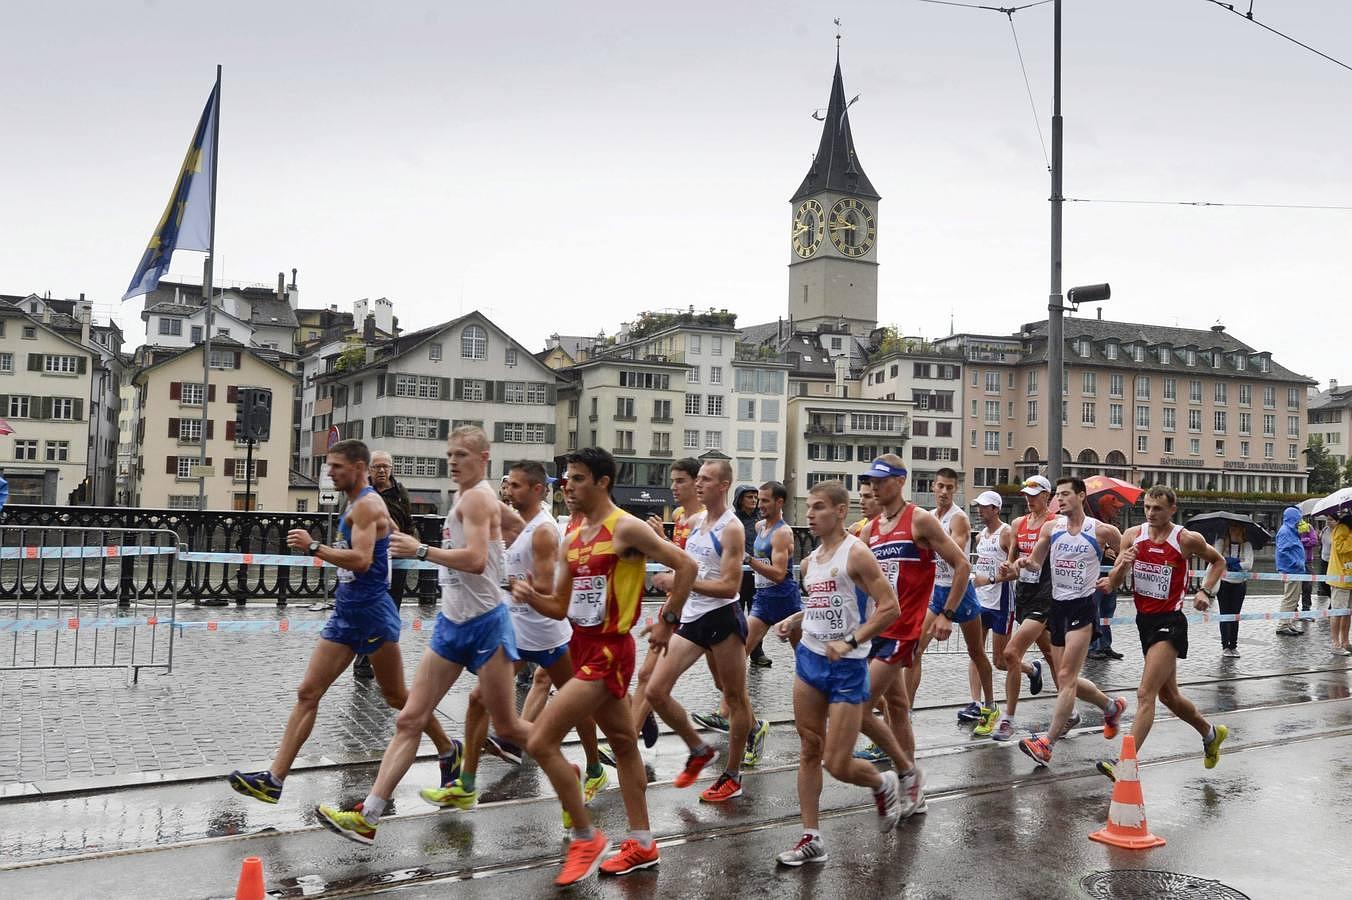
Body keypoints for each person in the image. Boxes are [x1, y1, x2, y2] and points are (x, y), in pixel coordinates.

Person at [315, 426, 531, 845]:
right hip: (452, 622)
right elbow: (520, 525)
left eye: (462, 455)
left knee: (508, 725)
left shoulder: (478, 498)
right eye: (450, 454)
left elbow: (475, 559)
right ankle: (368, 816)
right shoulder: (476, 498)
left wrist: (421, 550)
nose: (453, 462)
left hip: (485, 622)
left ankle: (569, 772)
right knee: (409, 718)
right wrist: (514, 553)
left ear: (483, 458)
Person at [227, 439, 462, 805]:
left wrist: (314, 547)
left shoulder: (367, 505)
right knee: (308, 692)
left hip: (371, 612)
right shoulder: (357, 503)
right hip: (347, 610)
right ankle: (274, 779)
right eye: (329, 466)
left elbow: (362, 560)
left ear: (358, 468)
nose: (330, 472)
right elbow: (375, 543)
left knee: (396, 696)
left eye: (337, 466)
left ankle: (448, 749)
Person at [512, 447, 698, 884]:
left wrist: (668, 621)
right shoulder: (572, 537)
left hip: (610, 652)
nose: (568, 486)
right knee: (624, 742)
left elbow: (686, 566)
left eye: (577, 478)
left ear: (602, 482)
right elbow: (560, 608)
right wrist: (530, 596)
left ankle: (586, 836)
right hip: (579, 645)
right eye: (566, 479)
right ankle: (643, 843)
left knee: (540, 740)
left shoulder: (625, 527)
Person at [420, 461, 607, 812]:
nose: (509, 491)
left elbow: (548, 587)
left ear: (537, 490)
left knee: (576, 704)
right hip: (515, 632)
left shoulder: (543, 531)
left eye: (516, 486)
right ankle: (466, 784)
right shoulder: (515, 523)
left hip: (548, 634)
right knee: (478, 699)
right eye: (507, 485)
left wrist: (511, 584)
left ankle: (594, 768)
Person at [773, 480, 905, 867]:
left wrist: (850, 641)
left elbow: (890, 607)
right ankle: (811, 837)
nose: (810, 514)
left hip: (847, 667)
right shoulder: (810, 561)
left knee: (838, 763)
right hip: (810, 659)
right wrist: (795, 619)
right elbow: (821, 603)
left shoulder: (857, 553)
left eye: (818, 507)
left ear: (840, 511)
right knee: (809, 748)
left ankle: (882, 782)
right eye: (809, 508)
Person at [646, 459, 766, 802]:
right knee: (655, 691)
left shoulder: (731, 528)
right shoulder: (695, 522)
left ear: (724, 485)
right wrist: (663, 544)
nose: (699, 484)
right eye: (697, 478)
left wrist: (681, 583)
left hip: (722, 619)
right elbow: (688, 566)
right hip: (693, 618)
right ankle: (699, 749)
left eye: (707, 479)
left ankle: (732, 775)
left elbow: (729, 587)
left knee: (734, 697)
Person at [1094, 485, 1229, 779]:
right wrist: (1122, 565)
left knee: (1145, 694)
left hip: (1170, 623)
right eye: (1147, 507)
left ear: (1172, 510)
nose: (1151, 513)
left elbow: (1218, 561)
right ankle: (1210, 734)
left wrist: (1206, 591)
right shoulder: (1132, 536)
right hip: (1145, 621)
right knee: (1170, 697)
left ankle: (1124, 764)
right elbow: (1114, 581)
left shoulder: (1185, 539)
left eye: (1157, 508)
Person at [850, 455, 945, 812]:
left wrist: (946, 614)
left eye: (881, 480)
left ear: (900, 481)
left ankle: (906, 774)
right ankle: (914, 791)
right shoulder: (869, 530)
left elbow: (961, 563)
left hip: (903, 630)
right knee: (897, 706)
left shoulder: (920, 519)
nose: (874, 487)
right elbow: (859, 581)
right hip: (877, 628)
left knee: (859, 708)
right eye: (870, 481)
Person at [1015, 477, 1128, 767]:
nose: (1060, 500)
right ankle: (1110, 706)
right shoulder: (1051, 528)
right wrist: (1021, 564)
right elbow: (1036, 562)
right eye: (1058, 495)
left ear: (1081, 496)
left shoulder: (1102, 530)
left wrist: (1113, 578)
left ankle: (1047, 744)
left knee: (1065, 676)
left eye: (1066, 494)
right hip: (1057, 608)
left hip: (1083, 607)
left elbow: (1127, 553)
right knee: (1067, 678)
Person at [907, 468, 990, 729]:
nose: (944, 492)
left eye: (949, 487)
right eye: (940, 486)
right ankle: (905, 712)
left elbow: (954, 552)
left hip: (961, 591)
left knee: (976, 652)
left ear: (955, 490)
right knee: (914, 650)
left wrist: (927, 543)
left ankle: (990, 705)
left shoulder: (959, 519)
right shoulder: (929, 517)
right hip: (938, 591)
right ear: (933, 487)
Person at [628, 458, 701, 750]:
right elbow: (680, 555)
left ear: (697, 483)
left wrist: (662, 541)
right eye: (672, 481)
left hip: (700, 609)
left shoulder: (705, 518)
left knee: (727, 687)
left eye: (680, 481)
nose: (673, 487)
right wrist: (662, 539)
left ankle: (750, 727)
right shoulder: (680, 515)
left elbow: (693, 564)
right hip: (675, 605)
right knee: (647, 675)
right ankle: (629, 738)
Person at [990, 476, 1058, 743]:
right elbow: (1011, 566)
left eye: (1035, 494)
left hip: (1046, 596)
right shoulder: (1018, 524)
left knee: (1010, 653)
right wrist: (1006, 568)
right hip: (1024, 597)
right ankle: (1074, 710)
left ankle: (1008, 720)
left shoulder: (1054, 523)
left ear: (1047, 495)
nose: (1029, 499)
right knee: (1052, 656)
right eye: (1027, 495)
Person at [351, 450, 420, 680]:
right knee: (369, 608)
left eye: (386, 466)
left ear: (391, 469)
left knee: (390, 610)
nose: (382, 470)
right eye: (377, 466)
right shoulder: (362, 491)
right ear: (369, 469)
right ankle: (363, 660)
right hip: (370, 558)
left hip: (397, 557)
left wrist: (412, 545)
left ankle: (382, 660)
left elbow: (408, 522)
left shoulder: (400, 492)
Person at [967, 491, 1028, 737]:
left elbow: (1015, 571)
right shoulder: (980, 536)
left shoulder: (1006, 533)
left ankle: (1031, 669)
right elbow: (981, 566)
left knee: (1001, 661)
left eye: (985, 507)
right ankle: (976, 703)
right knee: (975, 652)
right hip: (980, 600)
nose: (980, 510)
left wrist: (993, 578)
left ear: (996, 509)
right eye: (978, 506)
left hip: (1001, 602)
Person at [744, 481, 800, 670]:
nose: (760, 505)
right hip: (763, 598)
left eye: (765, 501)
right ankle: (731, 689)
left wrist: (749, 560)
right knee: (740, 650)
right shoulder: (760, 527)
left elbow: (778, 574)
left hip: (785, 600)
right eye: (759, 500)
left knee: (804, 657)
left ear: (779, 502)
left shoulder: (782, 533)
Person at [733, 485, 768, 666]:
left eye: (756, 497)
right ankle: (736, 650)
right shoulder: (733, 520)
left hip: (758, 572)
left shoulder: (762, 520)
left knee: (757, 613)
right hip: (738, 574)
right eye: (749, 497)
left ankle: (757, 650)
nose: (754, 500)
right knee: (737, 613)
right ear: (740, 499)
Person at [1087, 493, 1124, 661]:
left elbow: (1122, 546)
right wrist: (1104, 549)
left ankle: (1105, 645)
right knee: (1094, 610)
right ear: (1106, 507)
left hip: (1111, 574)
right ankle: (1092, 646)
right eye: (1114, 507)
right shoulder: (1093, 525)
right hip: (1096, 575)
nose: (1117, 510)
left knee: (1108, 611)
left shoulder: (1114, 525)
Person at [1214, 522, 1254, 657]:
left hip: (1240, 584)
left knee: (1235, 616)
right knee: (1224, 614)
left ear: (1242, 530)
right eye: (1232, 528)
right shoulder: (1220, 542)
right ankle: (1225, 646)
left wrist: (1231, 562)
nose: (1235, 531)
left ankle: (1233, 645)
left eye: (1238, 529)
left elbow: (1249, 564)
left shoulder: (1246, 545)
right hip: (1223, 583)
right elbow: (1215, 559)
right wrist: (1234, 562)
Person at [1275, 506, 1307, 636]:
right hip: (1291, 570)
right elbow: (1283, 551)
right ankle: (1283, 625)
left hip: (1295, 570)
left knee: (1293, 598)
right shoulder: (1285, 531)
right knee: (1290, 598)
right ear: (1293, 518)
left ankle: (1288, 623)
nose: (1300, 522)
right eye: (1298, 519)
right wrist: (1296, 562)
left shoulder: (1291, 531)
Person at [1328, 515, 1352, 655]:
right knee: (1337, 611)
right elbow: (1341, 548)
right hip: (1340, 578)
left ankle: (1345, 641)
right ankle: (1335, 643)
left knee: (1347, 612)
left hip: (1349, 578)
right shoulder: (1341, 528)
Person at [1299, 515, 1319, 612]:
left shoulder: (1308, 527)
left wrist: (1302, 541)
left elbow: (1314, 541)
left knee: (1307, 586)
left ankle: (1306, 608)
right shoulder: (1292, 528)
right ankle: (1293, 609)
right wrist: (1305, 541)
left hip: (1307, 561)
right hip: (1295, 561)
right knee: (1294, 587)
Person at [1319, 518, 1334, 600]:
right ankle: (1332, 598)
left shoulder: (1338, 531)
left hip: (1334, 560)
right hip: (1324, 559)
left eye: (1331, 520)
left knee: (1334, 582)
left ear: (1337, 521)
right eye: (1327, 519)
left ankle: (1333, 601)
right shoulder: (1325, 529)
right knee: (1323, 582)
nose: (1328, 521)